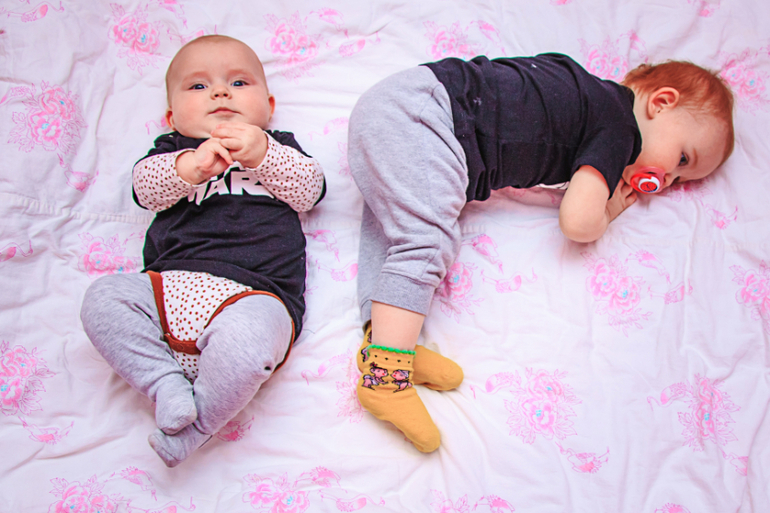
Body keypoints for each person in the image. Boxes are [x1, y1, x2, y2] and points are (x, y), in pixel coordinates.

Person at [347, 53, 734, 453]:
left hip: (402, 104)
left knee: (401, 229)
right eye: (681, 160)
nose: (666, 181)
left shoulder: (583, 93)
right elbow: (577, 221)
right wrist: (606, 213)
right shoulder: (620, 128)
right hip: (426, 120)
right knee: (427, 242)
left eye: (680, 181)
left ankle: (385, 345)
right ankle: (385, 379)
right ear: (661, 102)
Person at [80, 35, 325, 467]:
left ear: (268, 106)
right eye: (198, 86)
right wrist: (190, 167)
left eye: (239, 83)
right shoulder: (173, 150)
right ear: (172, 116)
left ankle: (197, 427)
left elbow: (310, 191)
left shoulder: (280, 146)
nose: (220, 93)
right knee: (102, 299)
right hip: (166, 292)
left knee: (248, 344)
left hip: (254, 296)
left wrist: (263, 153)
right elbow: (145, 190)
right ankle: (165, 384)